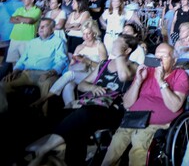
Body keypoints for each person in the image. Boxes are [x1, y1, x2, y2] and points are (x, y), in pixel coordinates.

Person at [25, 35, 138, 166]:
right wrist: (93, 87)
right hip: (91, 106)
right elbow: (82, 85)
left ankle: (44, 149)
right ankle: (65, 161)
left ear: (127, 50)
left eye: (118, 42)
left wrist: (119, 56)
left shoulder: (134, 66)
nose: (114, 44)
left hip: (113, 111)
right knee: (74, 124)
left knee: (84, 115)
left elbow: (123, 77)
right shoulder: (104, 64)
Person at [101, 43, 189, 166]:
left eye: (163, 57)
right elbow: (127, 103)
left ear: (174, 61)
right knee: (115, 143)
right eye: (156, 57)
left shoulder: (180, 75)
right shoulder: (147, 71)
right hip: (134, 118)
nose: (158, 60)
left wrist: (161, 81)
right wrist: (138, 81)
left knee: (139, 141)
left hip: (156, 123)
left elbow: (175, 106)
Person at [32, 19, 108, 108]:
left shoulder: (99, 46)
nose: (86, 36)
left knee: (69, 74)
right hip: (80, 73)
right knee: (68, 85)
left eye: (88, 33)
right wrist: (76, 61)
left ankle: (44, 98)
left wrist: (86, 61)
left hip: (94, 75)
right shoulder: (80, 47)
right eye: (84, 34)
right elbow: (71, 66)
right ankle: (70, 109)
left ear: (94, 33)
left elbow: (104, 67)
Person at [0, 18, 68, 113]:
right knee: (3, 83)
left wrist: (50, 72)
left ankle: (44, 118)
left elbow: (62, 61)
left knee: (47, 84)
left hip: (46, 73)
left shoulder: (58, 42)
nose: (41, 28)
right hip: (27, 74)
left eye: (45, 26)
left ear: (52, 29)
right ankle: (5, 113)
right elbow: (22, 60)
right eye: (40, 26)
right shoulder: (33, 42)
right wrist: (15, 71)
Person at [6, 0, 42, 67]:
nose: (23, 0)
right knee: (14, 62)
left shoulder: (37, 10)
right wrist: (23, 20)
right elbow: (11, 20)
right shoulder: (19, 9)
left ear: (32, 0)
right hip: (14, 38)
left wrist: (18, 18)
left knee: (26, 62)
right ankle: (15, 78)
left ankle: (24, 78)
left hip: (28, 39)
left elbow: (30, 21)